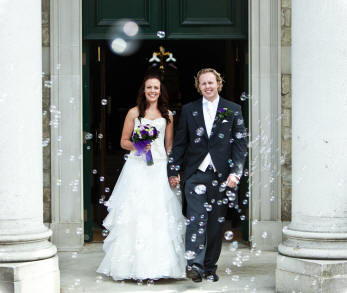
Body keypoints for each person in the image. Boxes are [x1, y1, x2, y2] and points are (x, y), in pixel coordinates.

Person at [97, 75, 186, 281]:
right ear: (143, 90)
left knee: (159, 215)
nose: (152, 91)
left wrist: (173, 170)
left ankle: (162, 266)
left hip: (159, 168)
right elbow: (123, 141)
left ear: (160, 91)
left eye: (156, 87)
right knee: (136, 214)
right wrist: (138, 145)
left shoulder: (168, 115)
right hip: (137, 169)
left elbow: (169, 146)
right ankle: (131, 267)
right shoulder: (134, 113)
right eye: (149, 87)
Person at [168, 68, 247, 282]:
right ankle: (194, 265)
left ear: (218, 83)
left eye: (211, 82)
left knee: (215, 224)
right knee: (196, 220)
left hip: (222, 178)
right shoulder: (189, 110)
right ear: (198, 86)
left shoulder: (233, 109)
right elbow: (180, 143)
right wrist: (173, 169)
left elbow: (240, 145)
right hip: (195, 175)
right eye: (203, 83)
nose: (207, 86)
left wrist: (236, 172)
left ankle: (209, 267)